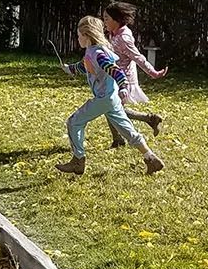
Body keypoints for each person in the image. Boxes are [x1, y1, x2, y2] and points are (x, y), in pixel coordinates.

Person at [56, 15, 163, 176]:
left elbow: (114, 70)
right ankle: (151, 158)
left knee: (74, 122)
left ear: (87, 35)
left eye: (79, 36)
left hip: (104, 98)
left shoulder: (98, 53)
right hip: (111, 99)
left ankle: (78, 160)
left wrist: (124, 86)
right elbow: (85, 66)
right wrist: (69, 69)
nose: (77, 39)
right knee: (127, 130)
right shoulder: (94, 51)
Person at [101, 0, 166, 149]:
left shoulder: (124, 38)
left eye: (106, 18)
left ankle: (122, 138)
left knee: (111, 108)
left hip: (123, 80)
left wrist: (153, 72)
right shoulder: (114, 33)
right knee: (111, 108)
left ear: (116, 20)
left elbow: (138, 57)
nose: (104, 22)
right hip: (114, 77)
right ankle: (146, 121)